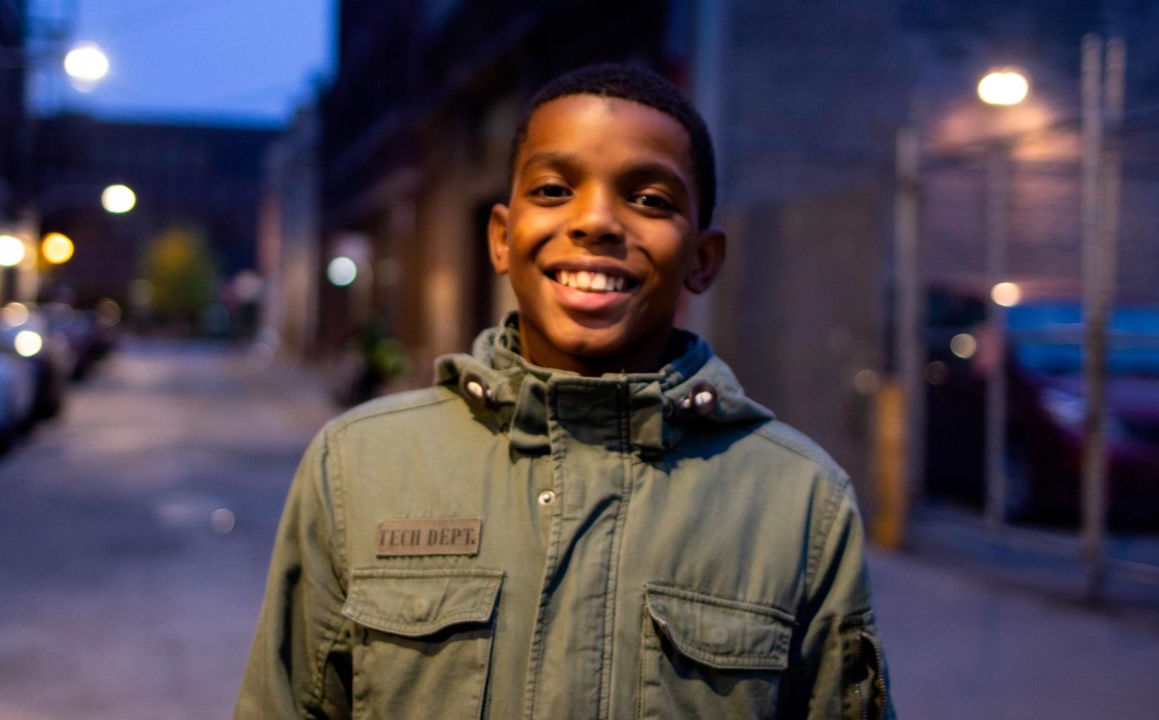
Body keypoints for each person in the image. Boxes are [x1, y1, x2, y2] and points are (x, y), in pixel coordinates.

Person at [236, 63, 894, 719]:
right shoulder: (357, 465)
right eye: (554, 189)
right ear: (501, 237)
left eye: (651, 200)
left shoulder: (799, 500)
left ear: (702, 257)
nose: (597, 222)